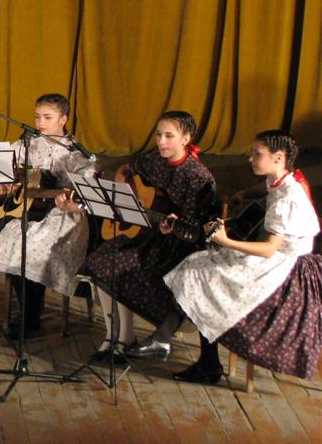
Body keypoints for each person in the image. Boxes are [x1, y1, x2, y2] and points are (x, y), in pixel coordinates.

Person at [128, 130, 320, 384]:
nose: (250, 158)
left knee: (201, 272)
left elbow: (269, 248)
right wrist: (245, 194)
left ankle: (176, 345)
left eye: (257, 154)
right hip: (275, 257)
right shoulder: (282, 179)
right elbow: (266, 189)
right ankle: (186, 351)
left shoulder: (287, 200)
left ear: (278, 158)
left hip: (283, 266)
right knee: (197, 265)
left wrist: (226, 241)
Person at [80, 110, 220, 362]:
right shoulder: (155, 159)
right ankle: (114, 336)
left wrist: (173, 226)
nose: (161, 141)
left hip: (179, 245)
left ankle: (126, 338)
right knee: (101, 258)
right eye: (158, 135)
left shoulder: (198, 177)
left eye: (169, 136)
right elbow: (126, 169)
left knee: (121, 266)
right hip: (150, 234)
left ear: (186, 139)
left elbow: (197, 231)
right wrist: (124, 188)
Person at [0, 94, 96, 338]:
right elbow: (2, 165)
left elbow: (88, 192)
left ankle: (30, 314)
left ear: (63, 119)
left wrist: (71, 202)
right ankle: (29, 311)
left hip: (65, 216)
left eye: (47, 117)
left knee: (31, 246)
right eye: (37, 117)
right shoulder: (28, 144)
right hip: (31, 210)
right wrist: (8, 183)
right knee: (12, 240)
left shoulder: (76, 154)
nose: (40, 122)